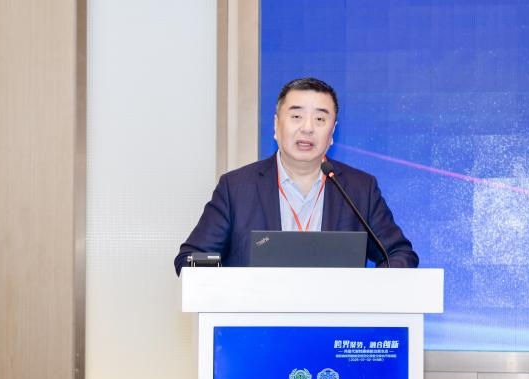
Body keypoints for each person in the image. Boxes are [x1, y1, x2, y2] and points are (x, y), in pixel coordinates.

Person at [174, 77, 418, 275]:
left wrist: (365, 292)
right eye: (296, 116)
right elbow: (190, 258)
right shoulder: (236, 188)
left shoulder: (359, 189)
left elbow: (400, 255)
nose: (308, 128)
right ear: (276, 126)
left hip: (335, 319)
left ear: (332, 132)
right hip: (257, 320)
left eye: (320, 119)